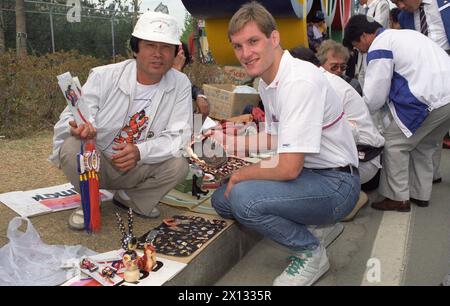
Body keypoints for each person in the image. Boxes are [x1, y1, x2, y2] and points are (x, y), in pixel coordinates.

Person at [211, 2, 360, 286]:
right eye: (238, 46)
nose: (245, 53)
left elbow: (289, 167)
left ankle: (310, 254)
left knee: (243, 197)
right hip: (313, 175)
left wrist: (242, 174)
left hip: (337, 183)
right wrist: (228, 144)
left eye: (253, 41)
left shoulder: (298, 81)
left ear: (274, 38)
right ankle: (318, 228)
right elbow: (275, 136)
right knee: (223, 198)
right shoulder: (268, 81)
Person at [49, 11, 192, 230]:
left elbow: (180, 135)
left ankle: (129, 199)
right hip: (99, 161)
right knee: (71, 146)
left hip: (139, 165)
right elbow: (71, 116)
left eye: (165, 47)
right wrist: (81, 127)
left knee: (179, 164)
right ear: (136, 49)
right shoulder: (104, 75)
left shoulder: (180, 83)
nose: (158, 54)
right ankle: (90, 200)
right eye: (150, 46)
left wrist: (140, 152)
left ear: (175, 53)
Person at [343, 15, 450, 211]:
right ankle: (420, 194)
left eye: (356, 44)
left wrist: (360, 114)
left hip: (429, 100)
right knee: (423, 145)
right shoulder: (405, 35)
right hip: (445, 97)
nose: (358, 49)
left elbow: (375, 95)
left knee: (394, 142)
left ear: (365, 36)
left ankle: (397, 198)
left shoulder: (379, 45)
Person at [290, 46, 385, 219]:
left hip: (362, 160)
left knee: (293, 167)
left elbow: (349, 133)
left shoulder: (322, 85)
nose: (339, 71)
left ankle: (348, 199)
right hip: (359, 158)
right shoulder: (318, 81)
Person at [355, 0, 391, 89]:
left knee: (372, 83)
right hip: (362, 52)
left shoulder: (382, 4)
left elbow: (375, 29)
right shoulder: (364, 9)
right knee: (362, 78)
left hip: (373, 50)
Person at [172, 42, 210, 123]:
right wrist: (176, 70)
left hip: (183, 131)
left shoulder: (184, 82)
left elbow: (191, 88)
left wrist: (200, 95)